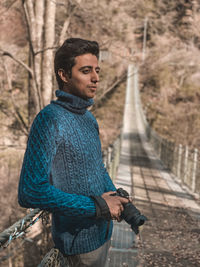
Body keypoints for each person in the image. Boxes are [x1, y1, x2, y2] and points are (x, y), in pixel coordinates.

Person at [18, 38, 128, 267]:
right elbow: (30, 191)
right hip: (78, 246)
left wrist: (114, 196)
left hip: (103, 234)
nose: (96, 78)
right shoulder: (49, 120)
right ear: (64, 75)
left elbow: (98, 167)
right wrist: (97, 206)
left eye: (97, 70)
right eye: (86, 71)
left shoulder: (89, 118)